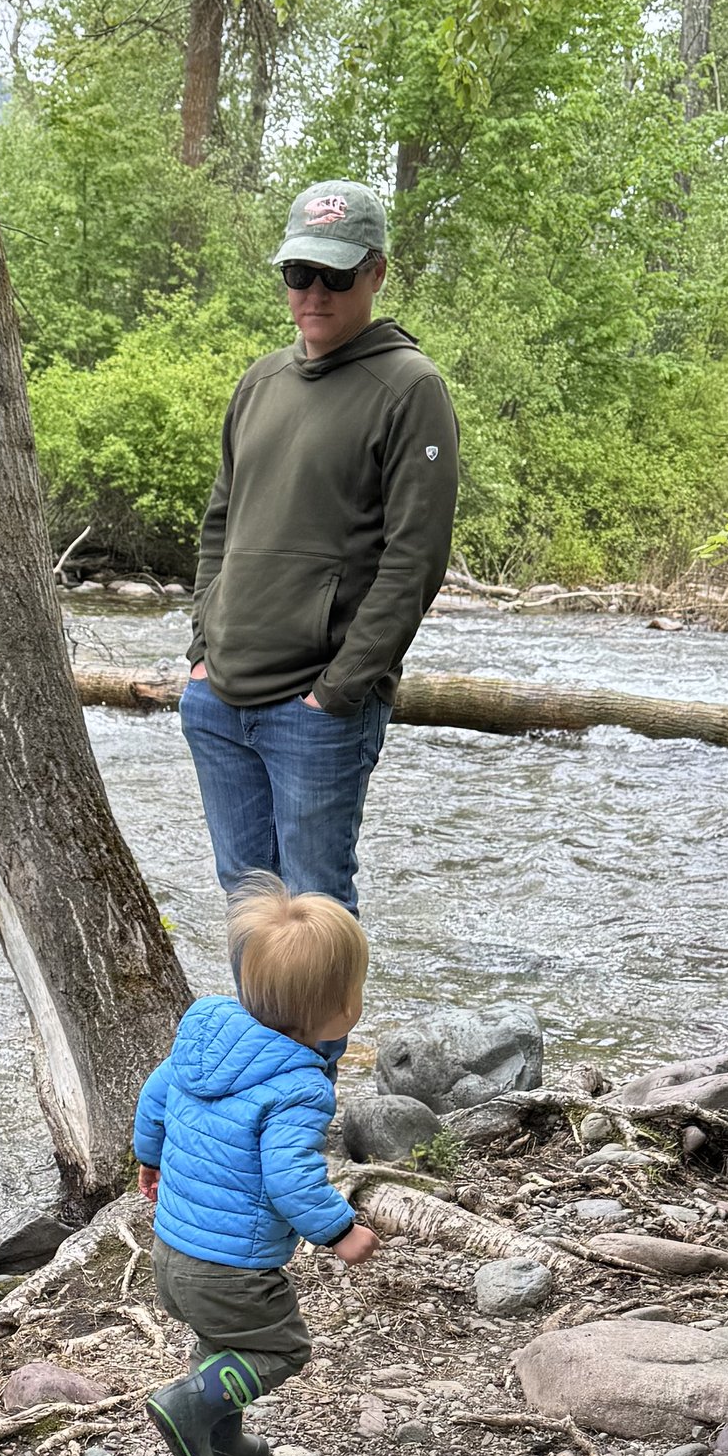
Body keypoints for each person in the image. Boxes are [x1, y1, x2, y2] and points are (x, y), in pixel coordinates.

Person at [181, 179, 460, 917]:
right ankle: (260, 1025)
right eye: (299, 272)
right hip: (219, 698)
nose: (313, 293)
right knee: (249, 906)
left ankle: (322, 1024)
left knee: (316, 913)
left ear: (376, 273)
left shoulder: (411, 389)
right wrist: (201, 652)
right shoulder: (260, 382)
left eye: (335, 275)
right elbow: (220, 522)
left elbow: (414, 561)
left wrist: (337, 692)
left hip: (317, 710)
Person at [133, 876, 379, 1456]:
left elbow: (155, 1097)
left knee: (223, 1343)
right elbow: (290, 1178)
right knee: (279, 1348)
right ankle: (187, 1406)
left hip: (172, 1249)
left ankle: (222, 1445)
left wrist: (150, 1157)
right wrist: (339, 1230)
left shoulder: (205, 1039)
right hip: (232, 1269)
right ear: (338, 1011)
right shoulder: (299, 1086)